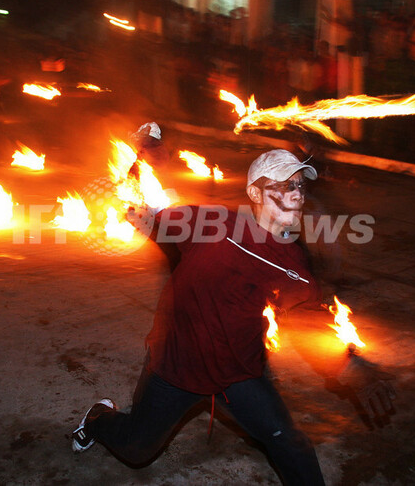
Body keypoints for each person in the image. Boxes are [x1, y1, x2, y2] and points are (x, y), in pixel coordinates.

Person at [71, 149, 395, 485]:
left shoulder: (293, 264)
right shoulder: (210, 224)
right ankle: (97, 419)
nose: (297, 195)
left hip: (237, 374)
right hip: (174, 366)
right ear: (255, 193)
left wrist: (349, 367)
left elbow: (308, 321)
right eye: (284, 186)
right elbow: (157, 221)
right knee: (137, 450)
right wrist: (132, 214)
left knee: (289, 442)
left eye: (299, 186)